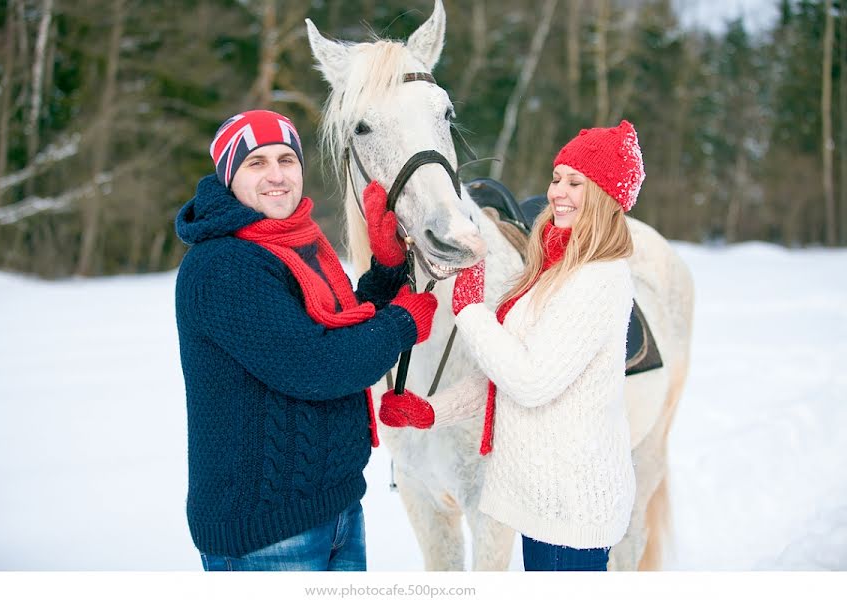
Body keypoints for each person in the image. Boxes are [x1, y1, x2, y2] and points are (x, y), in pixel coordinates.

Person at [174, 109, 438, 571]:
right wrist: (400, 325)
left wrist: (388, 268)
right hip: (266, 530)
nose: (276, 175)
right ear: (228, 175)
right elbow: (317, 365)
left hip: (332, 506)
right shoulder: (225, 264)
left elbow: (333, 327)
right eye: (256, 163)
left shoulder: (293, 240)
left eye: (286, 159)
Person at [381, 120, 644, 571]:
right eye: (557, 178)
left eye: (576, 182)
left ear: (604, 196)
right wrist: (433, 411)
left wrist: (469, 312)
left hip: (572, 510)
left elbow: (531, 381)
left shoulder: (597, 279)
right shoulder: (555, 268)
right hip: (543, 506)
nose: (558, 191)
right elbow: (506, 372)